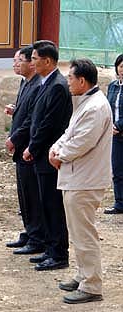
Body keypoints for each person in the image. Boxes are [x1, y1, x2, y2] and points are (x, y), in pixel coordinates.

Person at [49, 58, 112, 304]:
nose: (68, 82)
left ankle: (92, 285)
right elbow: (69, 133)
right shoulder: (85, 102)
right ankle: (83, 274)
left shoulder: (95, 107)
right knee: (77, 231)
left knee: (84, 233)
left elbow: (82, 141)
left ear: (82, 81)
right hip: (77, 176)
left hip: (86, 179)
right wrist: (56, 148)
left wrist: (59, 155)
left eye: (70, 78)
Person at [23, 40, 72, 271]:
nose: (32, 62)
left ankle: (58, 253)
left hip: (49, 154)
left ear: (48, 61)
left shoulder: (58, 86)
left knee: (53, 205)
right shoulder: (46, 83)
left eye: (35, 59)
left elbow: (49, 124)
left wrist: (33, 147)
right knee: (45, 203)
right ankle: (50, 249)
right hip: (42, 154)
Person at [4, 46, 45, 255]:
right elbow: (23, 112)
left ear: (31, 62)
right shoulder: (25, 82)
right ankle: (29, 231)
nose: (15, 64)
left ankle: (37, 236)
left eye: (19, 60)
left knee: (32, 193)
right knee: (23, 194)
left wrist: (15, 138)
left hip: (29, 146)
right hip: (20, 147)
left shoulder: (38, 85)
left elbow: (31, 119)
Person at [104, 53, 123, 214]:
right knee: (117, 170)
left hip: (118, 129)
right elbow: (107, 108)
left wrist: (118, 125)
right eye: (121, 66)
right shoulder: (112, 86)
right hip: (115, 135)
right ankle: (119, 203)